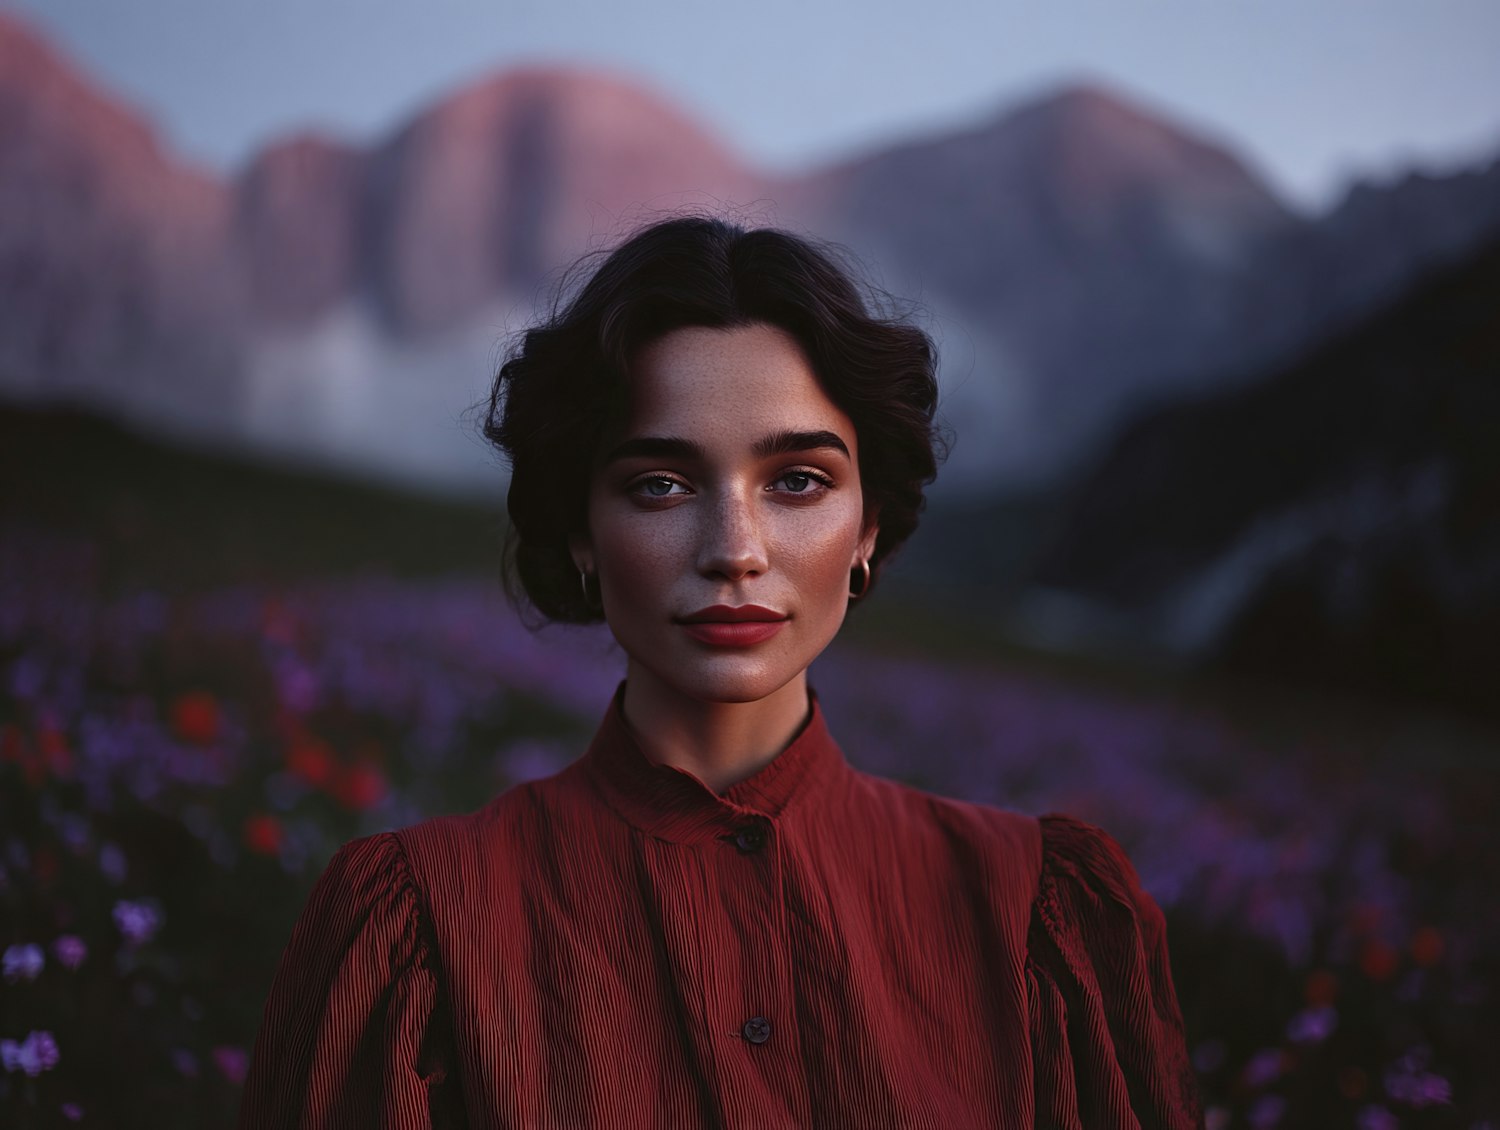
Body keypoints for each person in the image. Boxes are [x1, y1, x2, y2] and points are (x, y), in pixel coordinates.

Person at [237, 216, 1205, 1128]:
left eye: (799, 481)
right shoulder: (417, 924)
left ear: (868, 528)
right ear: (581, 531)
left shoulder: (1038, 911)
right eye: (660, 484)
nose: (735, 549)